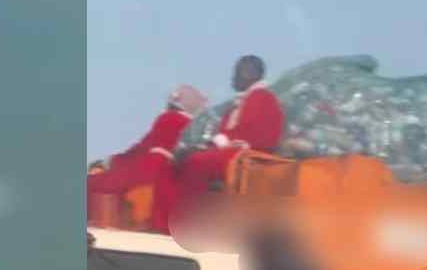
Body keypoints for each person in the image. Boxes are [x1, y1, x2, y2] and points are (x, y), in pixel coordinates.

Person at [172, 55, 285, 215]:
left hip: (248, 156)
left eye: (237, 72)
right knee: (189, 157)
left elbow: (257, 137)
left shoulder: (262, 97)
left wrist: (219, 144)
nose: (233, 78)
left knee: (197, 162)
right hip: (234, 153)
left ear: (250, 74)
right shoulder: (242, 101)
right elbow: (227, 134)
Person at [88, 84, 209, 232]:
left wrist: (109, 162)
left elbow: (138, 150)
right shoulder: (196, 128)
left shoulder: (168, 119)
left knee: (93, 183)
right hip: (171, 179)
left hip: (150, 171)